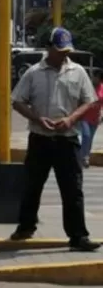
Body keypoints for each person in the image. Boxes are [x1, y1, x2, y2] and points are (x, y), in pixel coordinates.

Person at [10, 27, 100, 251]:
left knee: (72, 190)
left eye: (66, 51)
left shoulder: (78, 72)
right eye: (59, 50)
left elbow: (89, 101)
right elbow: (17, 101)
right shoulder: (33, 73)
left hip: (67, 139)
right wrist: (37, 118)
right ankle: (25, 227)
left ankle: (78, 236)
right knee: (32, 186)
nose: (63, 55)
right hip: (40, 138)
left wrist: (71, 120)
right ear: (49, 48)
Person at [80, 69, 103, 168]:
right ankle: (82, 158)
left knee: (89, 139)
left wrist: (102, 114)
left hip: (95, 118)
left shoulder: (102, 88)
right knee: (86, 136)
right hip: (84, 116)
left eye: (97, 77)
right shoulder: (87, 87)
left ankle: (85, 157)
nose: (95, 79)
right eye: (94, 77)